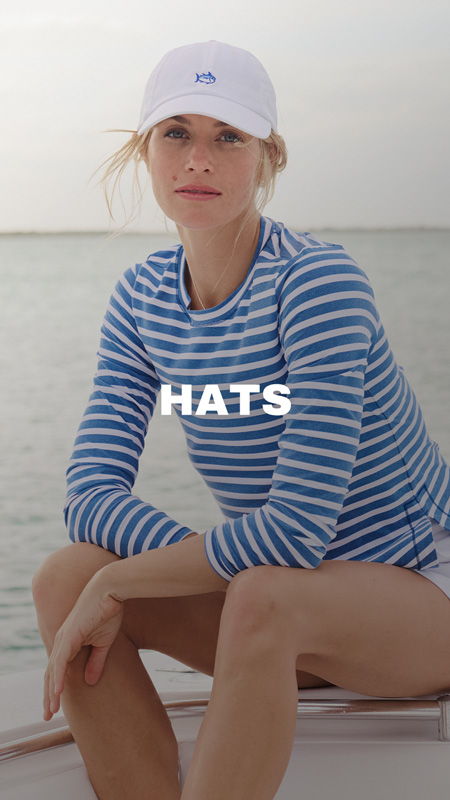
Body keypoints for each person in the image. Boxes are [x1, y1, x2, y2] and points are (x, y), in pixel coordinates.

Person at [32, 39, 450, 800]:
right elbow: (89, 496)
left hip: (422, 591)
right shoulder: (142, 300)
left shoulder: (318, 284)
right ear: (145, 150)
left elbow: (296, 533)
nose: (200, 159)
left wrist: (129, 577)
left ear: (267, 158)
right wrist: (126, 577)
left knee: (259, 589)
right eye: (177, 132)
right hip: (285, 598)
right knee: (68, 575)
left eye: (229, 136)